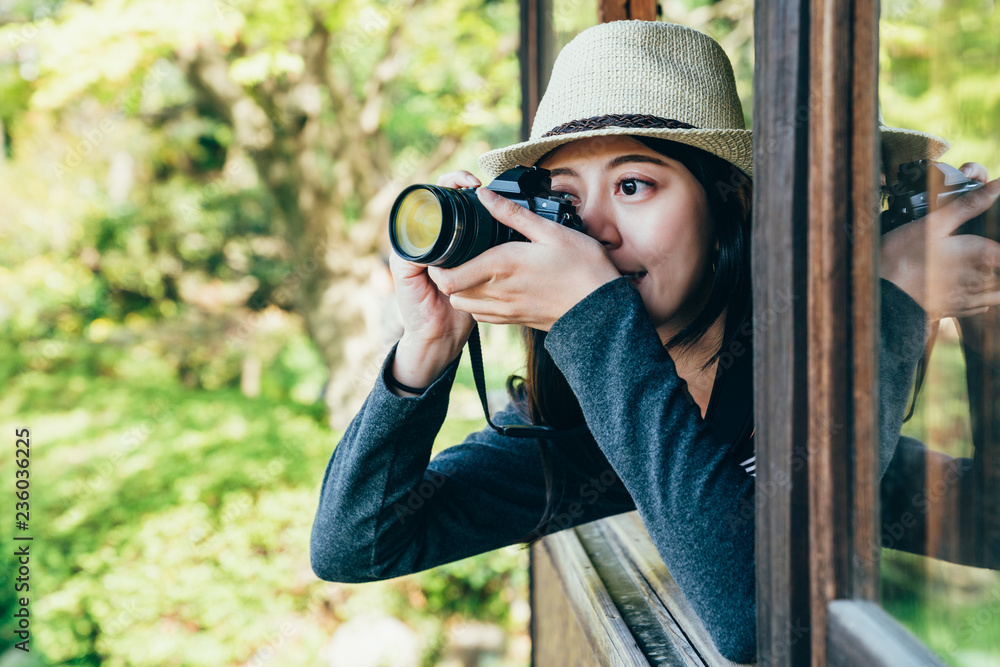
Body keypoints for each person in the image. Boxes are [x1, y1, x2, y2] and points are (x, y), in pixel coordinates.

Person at [310, 20, 1000, 662]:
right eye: (568, 201)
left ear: (728, 206)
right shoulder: (599, 426)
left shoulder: (788, 396)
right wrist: (425, 347)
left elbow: (978, 523)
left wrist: (972, 316)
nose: (598, 230)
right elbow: (356, 542)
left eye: (634, 184)